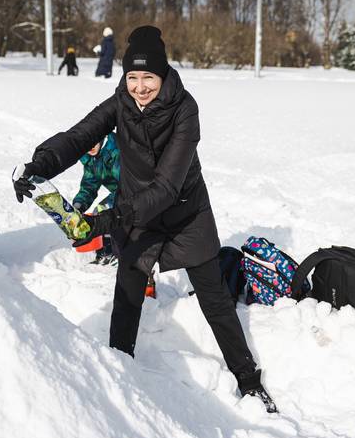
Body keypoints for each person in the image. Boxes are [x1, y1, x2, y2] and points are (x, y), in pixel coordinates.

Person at [14, 25, 276, 412]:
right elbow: (77, 137)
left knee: (215, 300)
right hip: (137, 213)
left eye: (148, 77)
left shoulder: (186, 109)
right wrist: (39, 165)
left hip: (187, 214)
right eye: (132, 77)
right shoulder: (119, 102)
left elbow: (168, 186)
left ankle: (248, 379)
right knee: (127, 294)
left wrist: (106, 221)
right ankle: (120, 369)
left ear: (163, 74)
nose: (139, 86)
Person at [73, 132, 120, 265]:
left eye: (93, 142)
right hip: (121, 192)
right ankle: (105, 253)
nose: (90, 147)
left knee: (104, 212)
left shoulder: (117, 151)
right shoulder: (91, 158)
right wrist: (79, 205)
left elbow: (129, 185)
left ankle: (113, 253)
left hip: (138, 191)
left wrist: (108, 205)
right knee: (100, 212)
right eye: (86, 145)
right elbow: (89, 185)